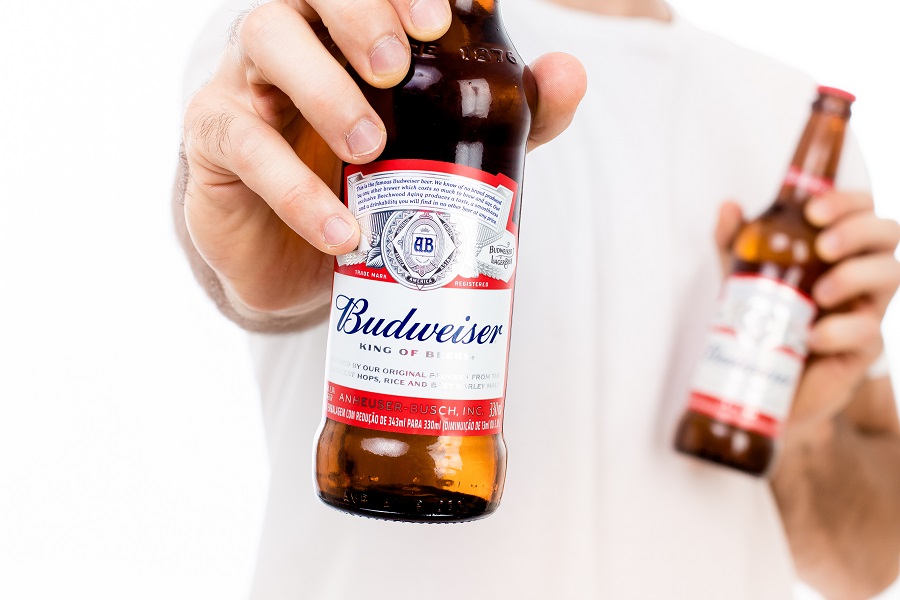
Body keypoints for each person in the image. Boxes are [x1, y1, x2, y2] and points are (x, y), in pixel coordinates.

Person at [175, 0, 900, 597]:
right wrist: (254, 274)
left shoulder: (790, 113)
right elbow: (238, 265)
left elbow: (870, 563)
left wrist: (796, 429)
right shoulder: (335, 29)